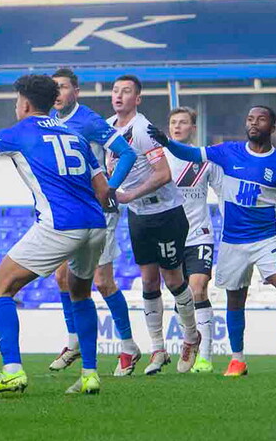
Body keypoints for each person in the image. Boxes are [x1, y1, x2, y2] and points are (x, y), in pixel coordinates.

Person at [0, 75, 112, 396]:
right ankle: (90, 374)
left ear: (24, 103)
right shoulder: (74, 134)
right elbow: (103, 191)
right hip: (95, 224)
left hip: (60, 224)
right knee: (81, 293)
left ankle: (12, 372)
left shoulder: (18, 132)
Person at [149, 106, 276, 377]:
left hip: (266, 240)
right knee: (235, 300)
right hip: (233, 242)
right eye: (250, 118)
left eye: (260, 119)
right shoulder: (228, 151)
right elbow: (191, 154)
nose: (253, 123)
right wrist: (167, 143)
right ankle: (237, 360)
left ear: (272, 127)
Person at [48, 68, 142, 376]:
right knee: (62, 278)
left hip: (98, 209)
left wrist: (110, 188)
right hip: (66, 209)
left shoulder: (87, 120)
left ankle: (128, 346)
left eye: (63, 87)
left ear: (76, 91)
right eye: (54, 88)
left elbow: (126, 153)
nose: (58, 93)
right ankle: (74, 341)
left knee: (102, 282)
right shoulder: (47, 121)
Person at [107, 75, 199, 375]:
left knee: (173, 280)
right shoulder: (107, 128)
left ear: (138, 98)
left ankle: (190, 337)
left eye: (127, 92)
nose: (119, 96)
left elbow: (162, 174)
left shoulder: (143, 129)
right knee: (148, 281)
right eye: (116, 91)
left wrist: (129, 194)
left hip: (166, 213)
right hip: (138, 217)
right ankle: (158, 349)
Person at [164, 107, 223, 373]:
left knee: (199, 289)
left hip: (199, 234)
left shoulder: (205, 160)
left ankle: (206, 357)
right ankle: (191, 339)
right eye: (173, 122)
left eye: (183, 122)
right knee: (182, 296)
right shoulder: (158, 159)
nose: (177, 126)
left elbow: (223, 196)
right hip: (170, 236)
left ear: (193, 128)